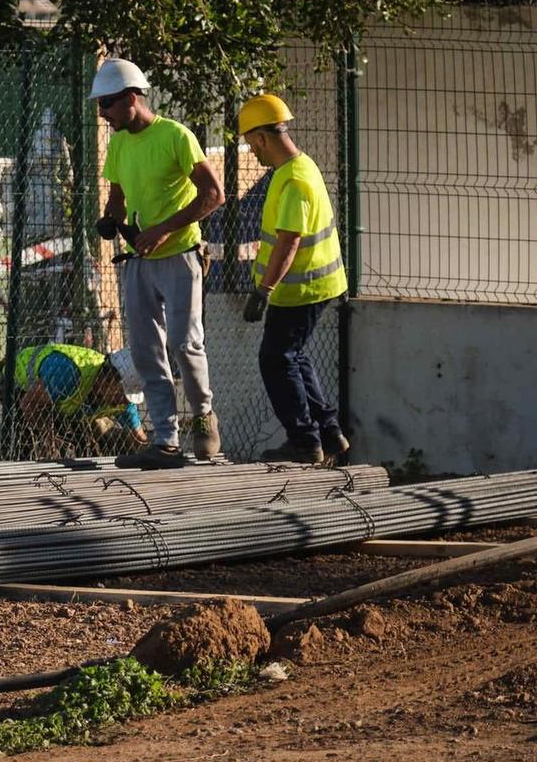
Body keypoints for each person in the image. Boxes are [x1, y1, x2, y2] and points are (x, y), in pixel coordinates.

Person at [93, 58, 227, 469]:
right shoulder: (118, 143)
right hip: (139, 259)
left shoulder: (175, 136)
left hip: (180, 255)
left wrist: (166, 229)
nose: (104, 114)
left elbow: (213, 195)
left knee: (184, 344)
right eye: (100, 106)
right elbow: (117, 191)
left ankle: (203, 416)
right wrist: (110, 218)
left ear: (133, 97)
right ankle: (165, 439)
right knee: (147, 350)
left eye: (109, 104)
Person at [237, 93, 350, 465]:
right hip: (313, 285)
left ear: (261, 138)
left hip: (301, 288)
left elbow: (289, 240)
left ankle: (305, 441)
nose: (252, 153)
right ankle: (329, 434)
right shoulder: (303, 168)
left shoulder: (293, 180)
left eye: (251, 145)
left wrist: (263, 290)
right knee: (293, 355)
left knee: (275, 359)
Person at [10, 343, 149, 459]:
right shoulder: (68, 373)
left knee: (95, 436)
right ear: (108, 380)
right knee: (28, 448)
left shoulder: (123, 401)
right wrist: (49, 437)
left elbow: (138, 437)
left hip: (63, 405)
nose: (124, 402)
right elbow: (28, 403)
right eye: (122, 395)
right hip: (18, 386)